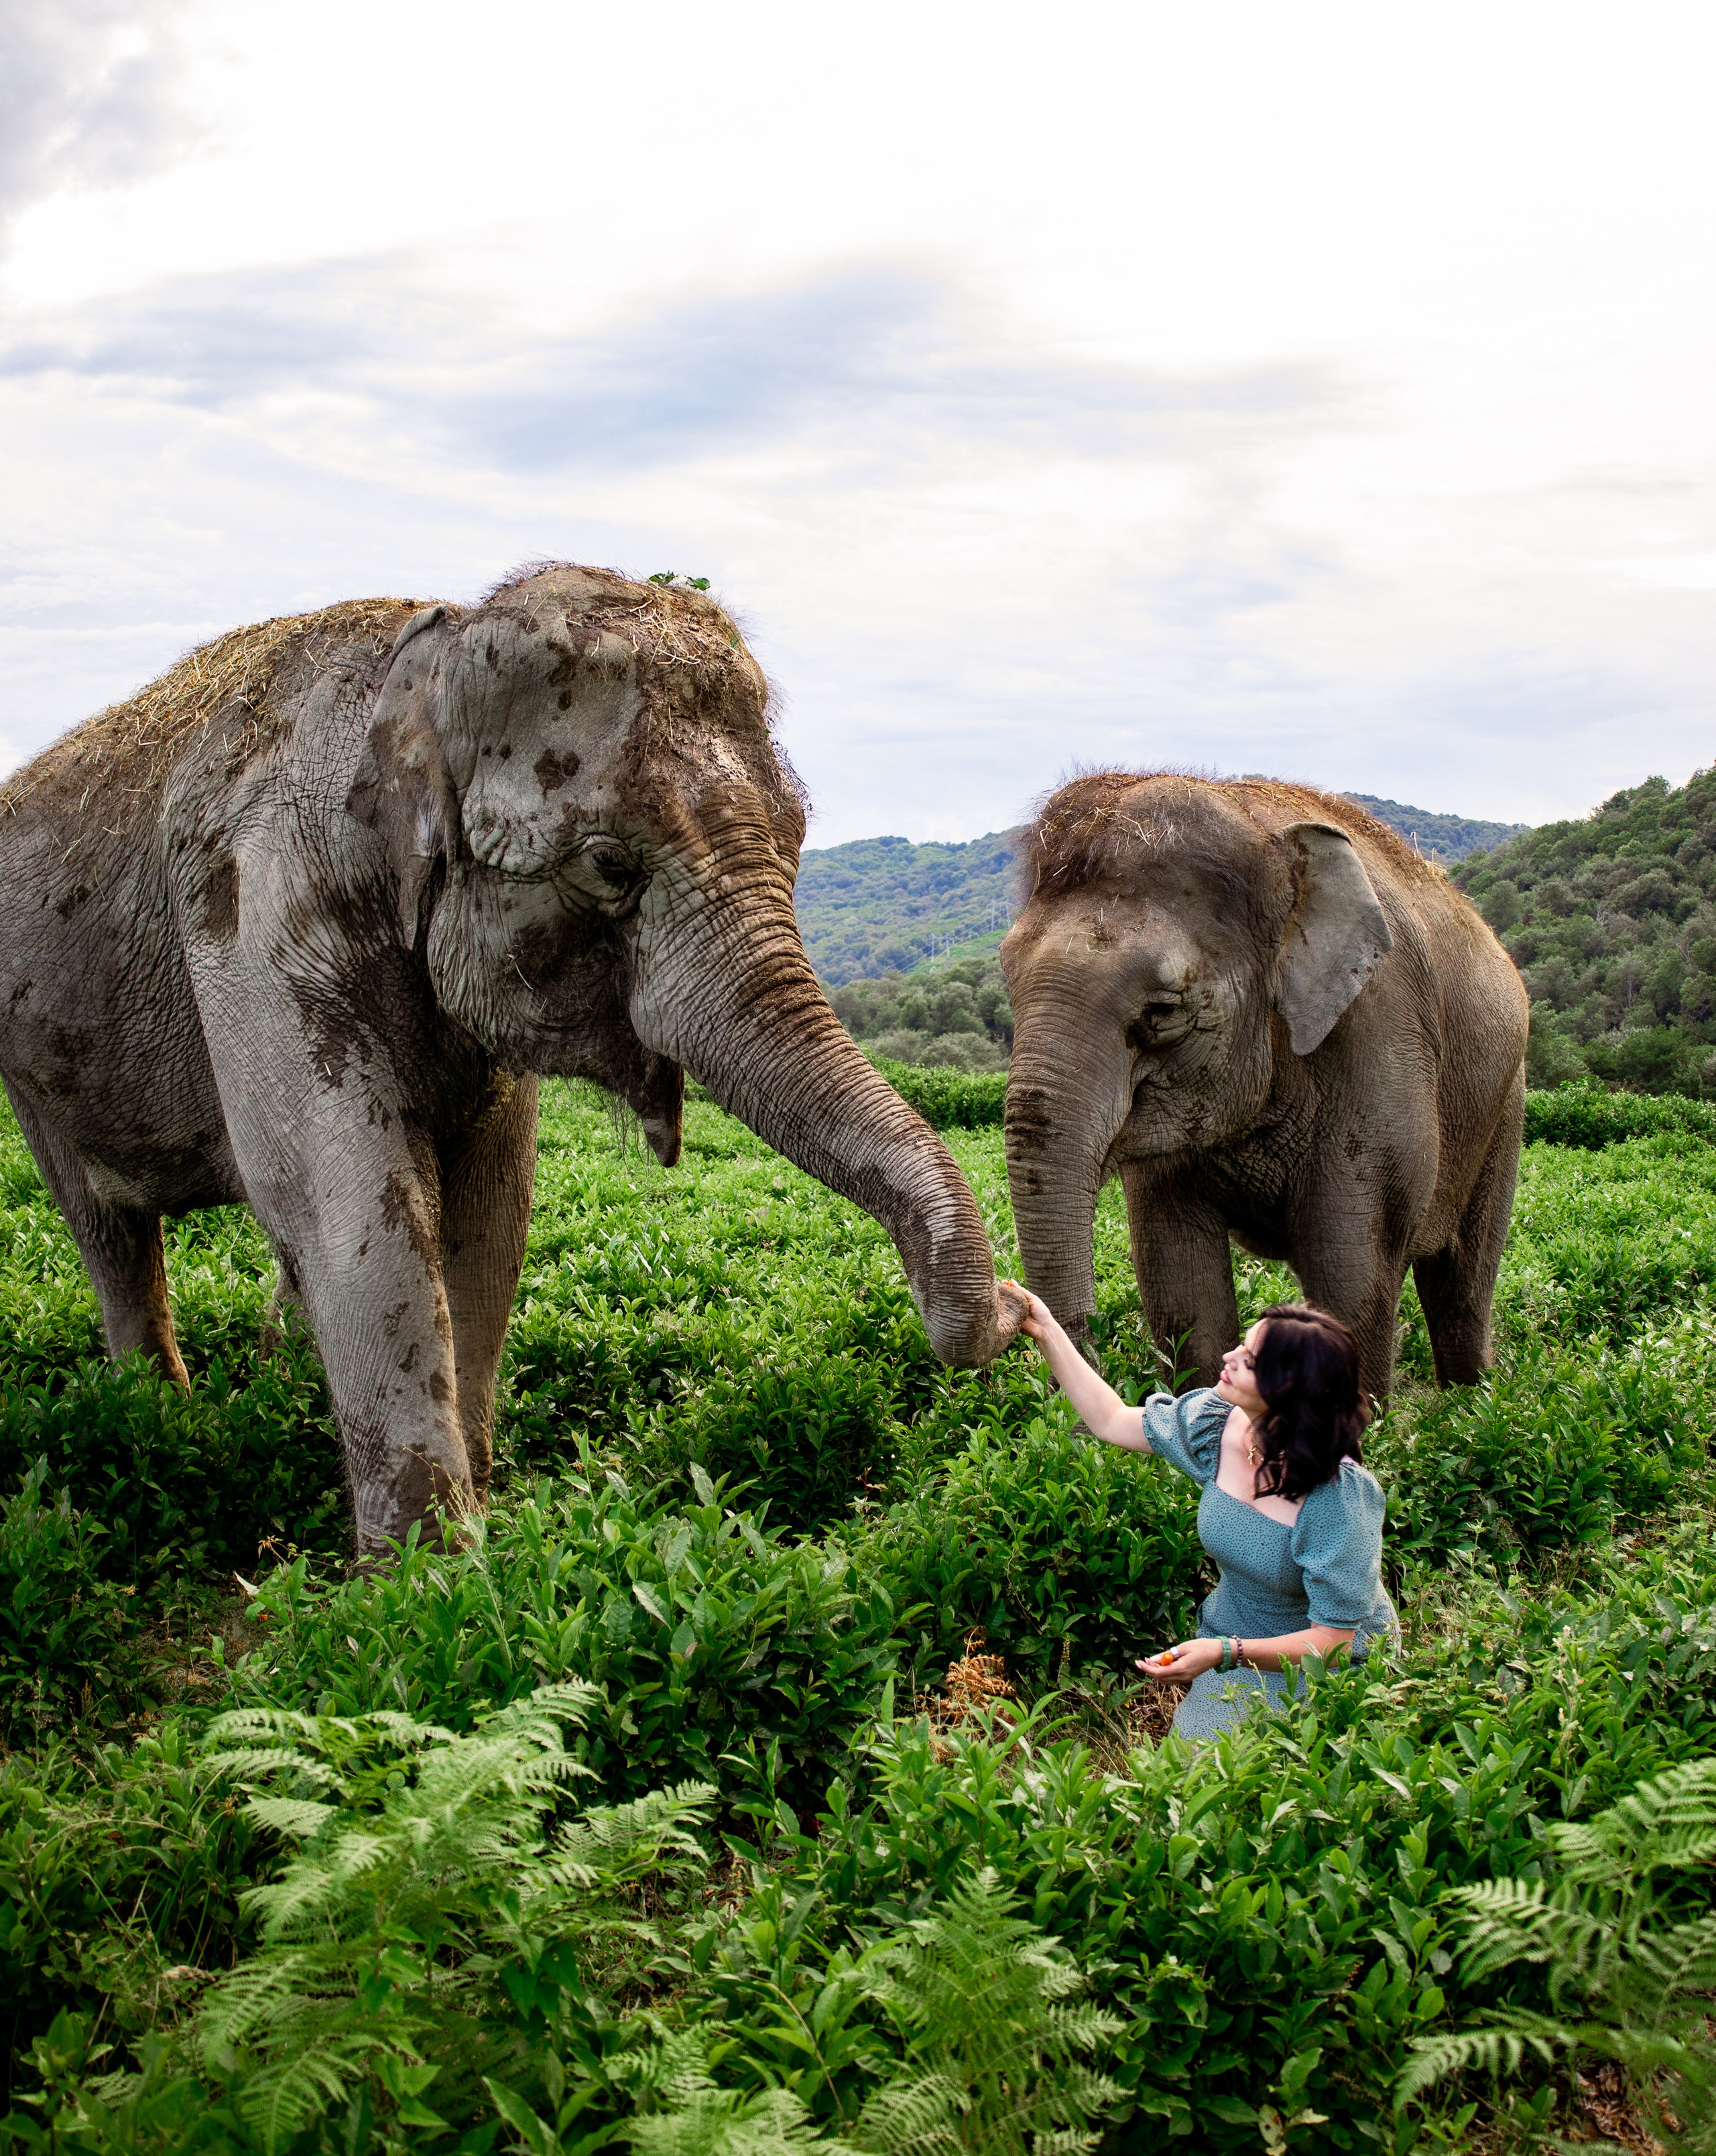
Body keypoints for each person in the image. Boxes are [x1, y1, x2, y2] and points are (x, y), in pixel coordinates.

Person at [1005, 1289, 1398, 1740]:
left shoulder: (1338, 1497)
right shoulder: (1218, 1421)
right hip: (1233, 1633)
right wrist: (1048, 1330)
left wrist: (1226, 1652)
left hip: (1316, 1661)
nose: (1229, 1356)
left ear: (1288, 1388)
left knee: (1236, 1773)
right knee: (1187, 1763)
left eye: (1249, 1360)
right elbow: (1111, 1419)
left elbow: (1334, 1641)